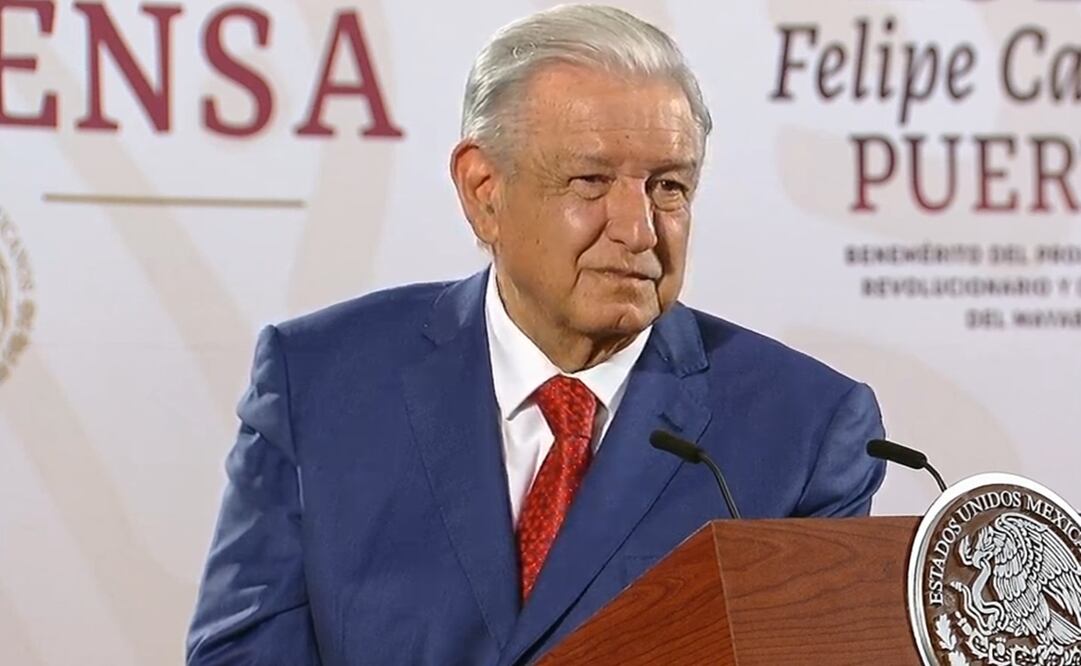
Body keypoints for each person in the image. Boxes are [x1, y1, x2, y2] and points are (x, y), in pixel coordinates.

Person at [186, 5, 886, 665]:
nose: (638, 230)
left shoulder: (804, 430)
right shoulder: (319, 382)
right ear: (483, 190)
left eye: (668, 187)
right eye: (591, 181)